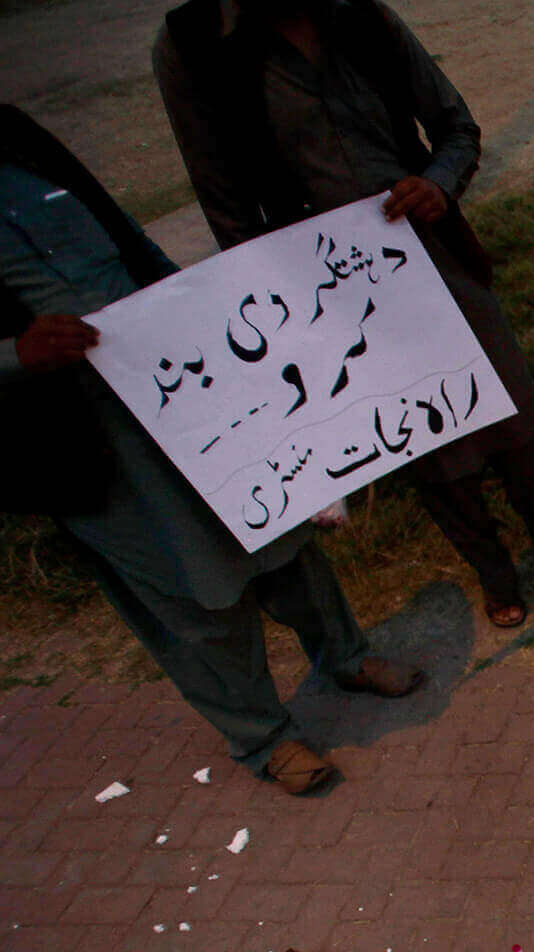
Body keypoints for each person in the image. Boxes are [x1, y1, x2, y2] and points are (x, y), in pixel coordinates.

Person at [153, 0, 534, 629]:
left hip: (428, 245)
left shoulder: (363, 18)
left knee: (507, 396)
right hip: (318, 284)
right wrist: (280, 306)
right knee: (413, 427)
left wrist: (437, 184)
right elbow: (223, 199)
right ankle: (493, 570)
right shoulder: (194, 45)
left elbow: (457, 128)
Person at [1, 106, 422, 795]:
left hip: (172, 374)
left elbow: (118, 230)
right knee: (188, 587)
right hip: (76, 431)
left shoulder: (15, 134)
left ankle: (346, 654)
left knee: (276, 525)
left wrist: (197, 304)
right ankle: (264, 738)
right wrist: (15, 355)